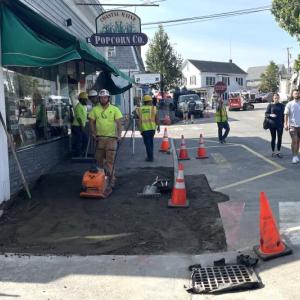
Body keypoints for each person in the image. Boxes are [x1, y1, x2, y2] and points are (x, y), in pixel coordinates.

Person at [89, 89, 123, 187]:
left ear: (108, 98)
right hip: (99, 139)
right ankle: (100, 180)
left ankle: (111, 180)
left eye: (105, 97)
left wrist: (119, 135)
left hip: (112, 139)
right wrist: (93, 133)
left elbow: (119, 123)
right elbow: (91, 122)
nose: (103, 99)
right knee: (99, 160)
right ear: (99, 99)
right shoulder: (95, 109)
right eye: (101, 98)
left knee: (110, 161)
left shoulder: (115, 109)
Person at [137, 95, 160, 162]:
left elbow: (137, 118)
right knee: (151, 143)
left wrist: (139, 128)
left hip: (144, 129)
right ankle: (150, 156)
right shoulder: (153, 108)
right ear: (150, 101)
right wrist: (158, 126)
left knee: (147, 144)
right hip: (152, 129)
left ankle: (150, 157)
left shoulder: (140, 109)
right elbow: (157, 118)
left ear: (144, 102)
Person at [265, 93, 285, 158]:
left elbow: (284, 115)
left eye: (277, 97)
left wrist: (284, 123)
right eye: (275, 97)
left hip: (280, 124)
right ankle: (273, 152)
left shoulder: (282, 105)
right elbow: (266, 114)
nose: (276, 98)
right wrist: (270, 115)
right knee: (273, 138)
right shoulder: (270, 105)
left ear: (279, 98)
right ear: (273, 98)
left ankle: (278, 151)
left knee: (279, 138)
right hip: (272, 124)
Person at [284, 89, 300, 164]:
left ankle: (296, 155)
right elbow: (286, 114)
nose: (297, 94)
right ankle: (294, 156)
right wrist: (285, 124)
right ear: (292, 95)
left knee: (298, 142)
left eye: (298, 93)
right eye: (295, 93)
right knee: (294, 141)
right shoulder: (289, 104)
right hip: (293, 126)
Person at [72, 91, 88, 157]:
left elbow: (84, 115)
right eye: (85, 99)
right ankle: (78, 155)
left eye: (86, 99)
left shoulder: (84, 106)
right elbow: (78, 118)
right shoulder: (78, 106)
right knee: (79, 140)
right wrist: (82, 126)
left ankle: (81, 152)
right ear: (81, 99)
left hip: (81, 126)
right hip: (77, 126)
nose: (86, 101)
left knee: (85, 139)